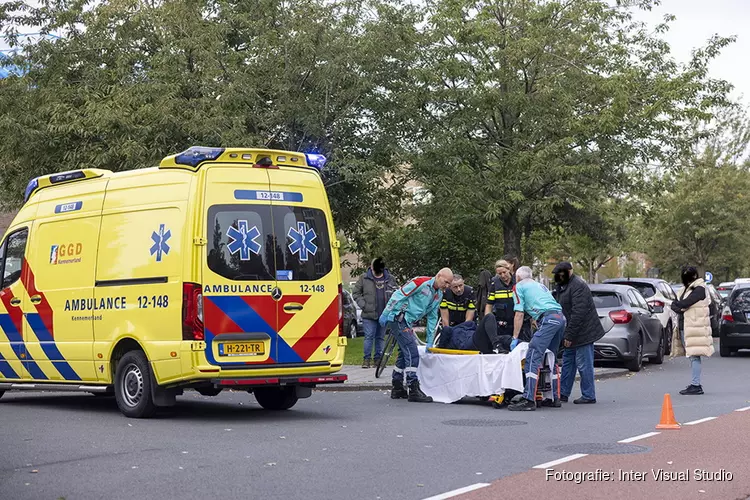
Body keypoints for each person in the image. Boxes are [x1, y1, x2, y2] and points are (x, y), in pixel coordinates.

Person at [379, 268, 454, 402]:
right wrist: (386, 312)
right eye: (446, 282)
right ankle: (413, 388)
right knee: (412, 352)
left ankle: (397, 387)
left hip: (407, 321)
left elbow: (432, 317)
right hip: (398, 317)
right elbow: (398, 295)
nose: (447, 286)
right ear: (439, 275)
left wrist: (430, 340)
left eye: (449, 284)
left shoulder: (438, 295)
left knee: (404, 352)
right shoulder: (420, 282)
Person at [508, 266, 567, 411]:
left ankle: (529, 399)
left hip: (548, 319)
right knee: (551, 356)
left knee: (533, 355)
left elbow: (519, 313)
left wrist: (514, 337)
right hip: (560, 317)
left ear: (518, 278)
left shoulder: (518, 287)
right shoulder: (540, 286)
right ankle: (554, 398)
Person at [552, 262, 605, 404]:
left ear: (569, 272)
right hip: (573, 330)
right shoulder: (562, 286)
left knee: (583, 363)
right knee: (568, 362)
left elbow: (578, 313)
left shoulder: (578, 286)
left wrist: (569, 335)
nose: (558, 277)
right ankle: (563, 393)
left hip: (584, 332)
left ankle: (589, 395)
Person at [670, 266, 713, 395]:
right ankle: (695, 383)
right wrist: (678, 306)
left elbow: (684, 303)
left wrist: (679, 306)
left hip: (696, 328)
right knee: (692, 356)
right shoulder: (685, 289)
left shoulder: (700, 289)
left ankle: (696, 385)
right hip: (687, 326)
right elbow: (676, 305)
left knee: (694, 356)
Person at [352, 257, 398, 368]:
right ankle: (366, 360)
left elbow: (396, 293)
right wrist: (364, 305)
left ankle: (378, 359)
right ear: (371, 267)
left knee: (380, 337)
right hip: (369, 314)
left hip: (384, 314)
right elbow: (356, 293)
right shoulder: (364, 278)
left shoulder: (390, 278)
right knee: (369, 337)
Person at [485, 260, 532, 351]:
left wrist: (533, 319)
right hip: (503, 325)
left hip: (521, 323)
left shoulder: (518, 281)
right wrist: (488, 320)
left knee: (523, 349)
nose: (502, 275)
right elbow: (489, 304)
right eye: (499, 273)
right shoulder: (494, 284)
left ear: (509, 269)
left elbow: (529, 301)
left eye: (504, 272)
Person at [436, 313, 505, 353]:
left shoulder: (466, 325)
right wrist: (439, 347)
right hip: (472, 342)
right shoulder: (451, 331)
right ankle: (497, 345)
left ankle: (503, 345)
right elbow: (446, 329)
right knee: (489, 316)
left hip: (480, 341)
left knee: (505, 338)